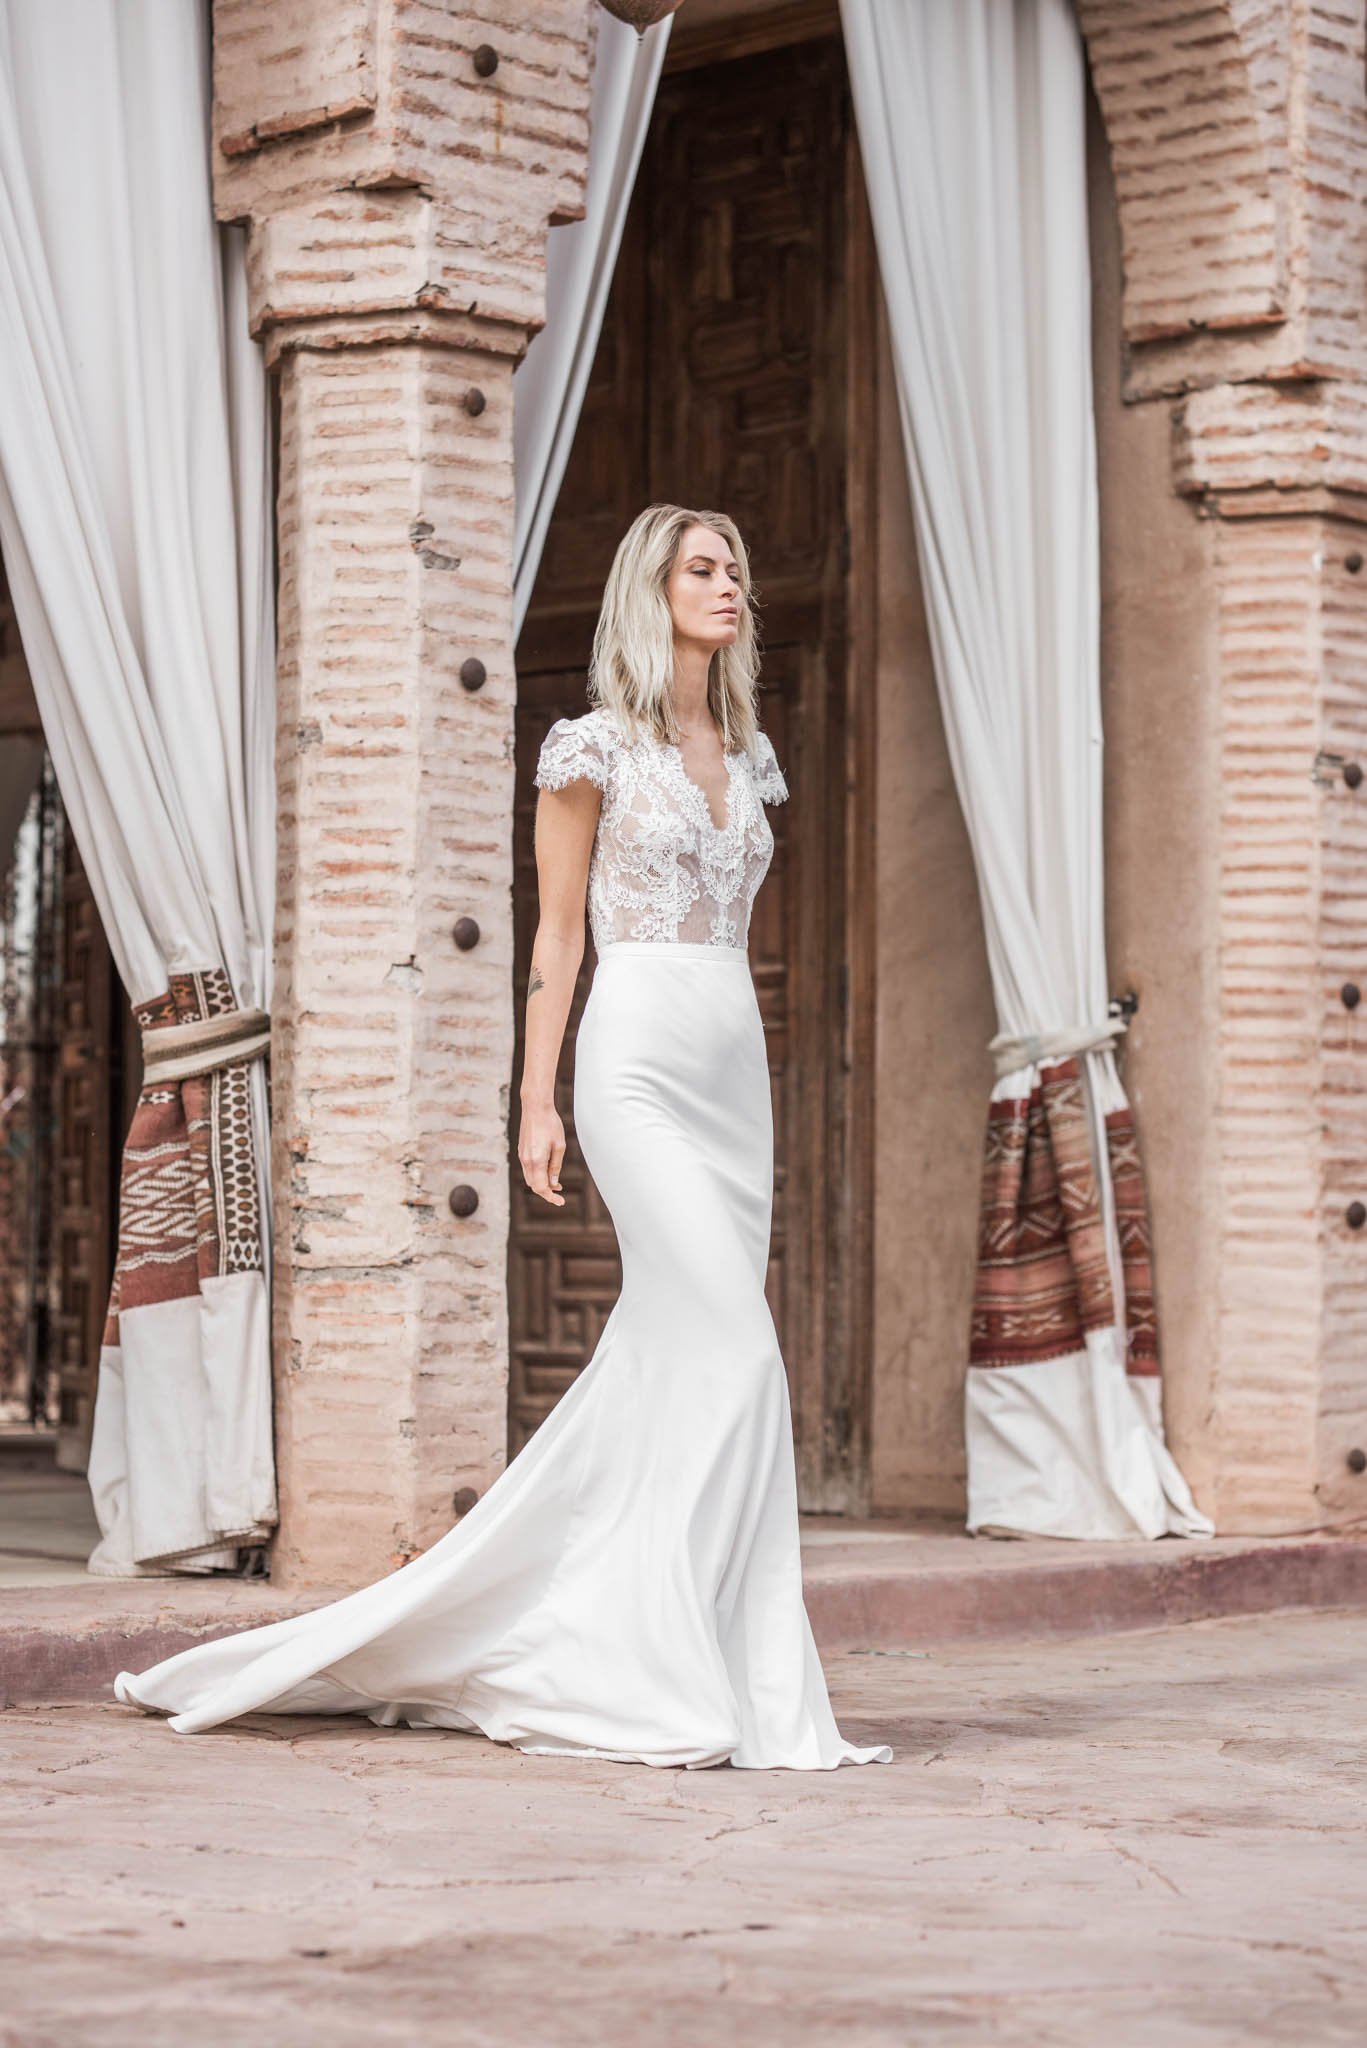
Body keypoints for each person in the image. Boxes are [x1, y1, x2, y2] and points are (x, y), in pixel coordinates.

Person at [112, 503, 892, 1771]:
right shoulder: (589, 749)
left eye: (738, 567)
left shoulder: (746, 753)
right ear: (653, 587)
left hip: (731, 1072)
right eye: (704, 566)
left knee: (678, 1359)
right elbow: (557, 940)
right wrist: (533, 1098)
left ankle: (680, 1645)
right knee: (741, 1355)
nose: (730, 584)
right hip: (631, 1061)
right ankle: (669, 1665)